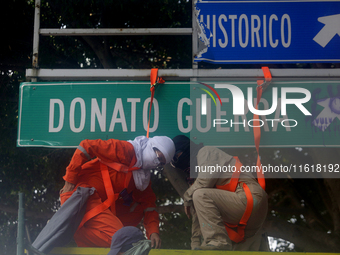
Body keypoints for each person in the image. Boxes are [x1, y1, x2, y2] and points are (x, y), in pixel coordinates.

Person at [59, 136, 175, 249]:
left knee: (137, 211)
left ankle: (85, 234)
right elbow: (86, 145)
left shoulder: (142, 177)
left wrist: (154, 232)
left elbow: (149, 205)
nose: (156, 163)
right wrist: (70, 180)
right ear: (151, 146)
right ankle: (85, 231)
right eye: (158, 157)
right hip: (82, 194)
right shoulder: (127, 150)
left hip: (100, 204)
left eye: (160, 163)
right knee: (123, 238)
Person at [170, 135, 268, 251]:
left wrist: (187, 197)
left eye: (177, 155)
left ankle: (218, 241)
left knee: (200, 195)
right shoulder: (196, 181)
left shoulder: (205, 152)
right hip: (248, 221)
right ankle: (218, 242)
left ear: (186, 147)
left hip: (249, 197)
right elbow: (199, 214)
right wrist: (195, 245)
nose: (177, 162)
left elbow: (205, 181)